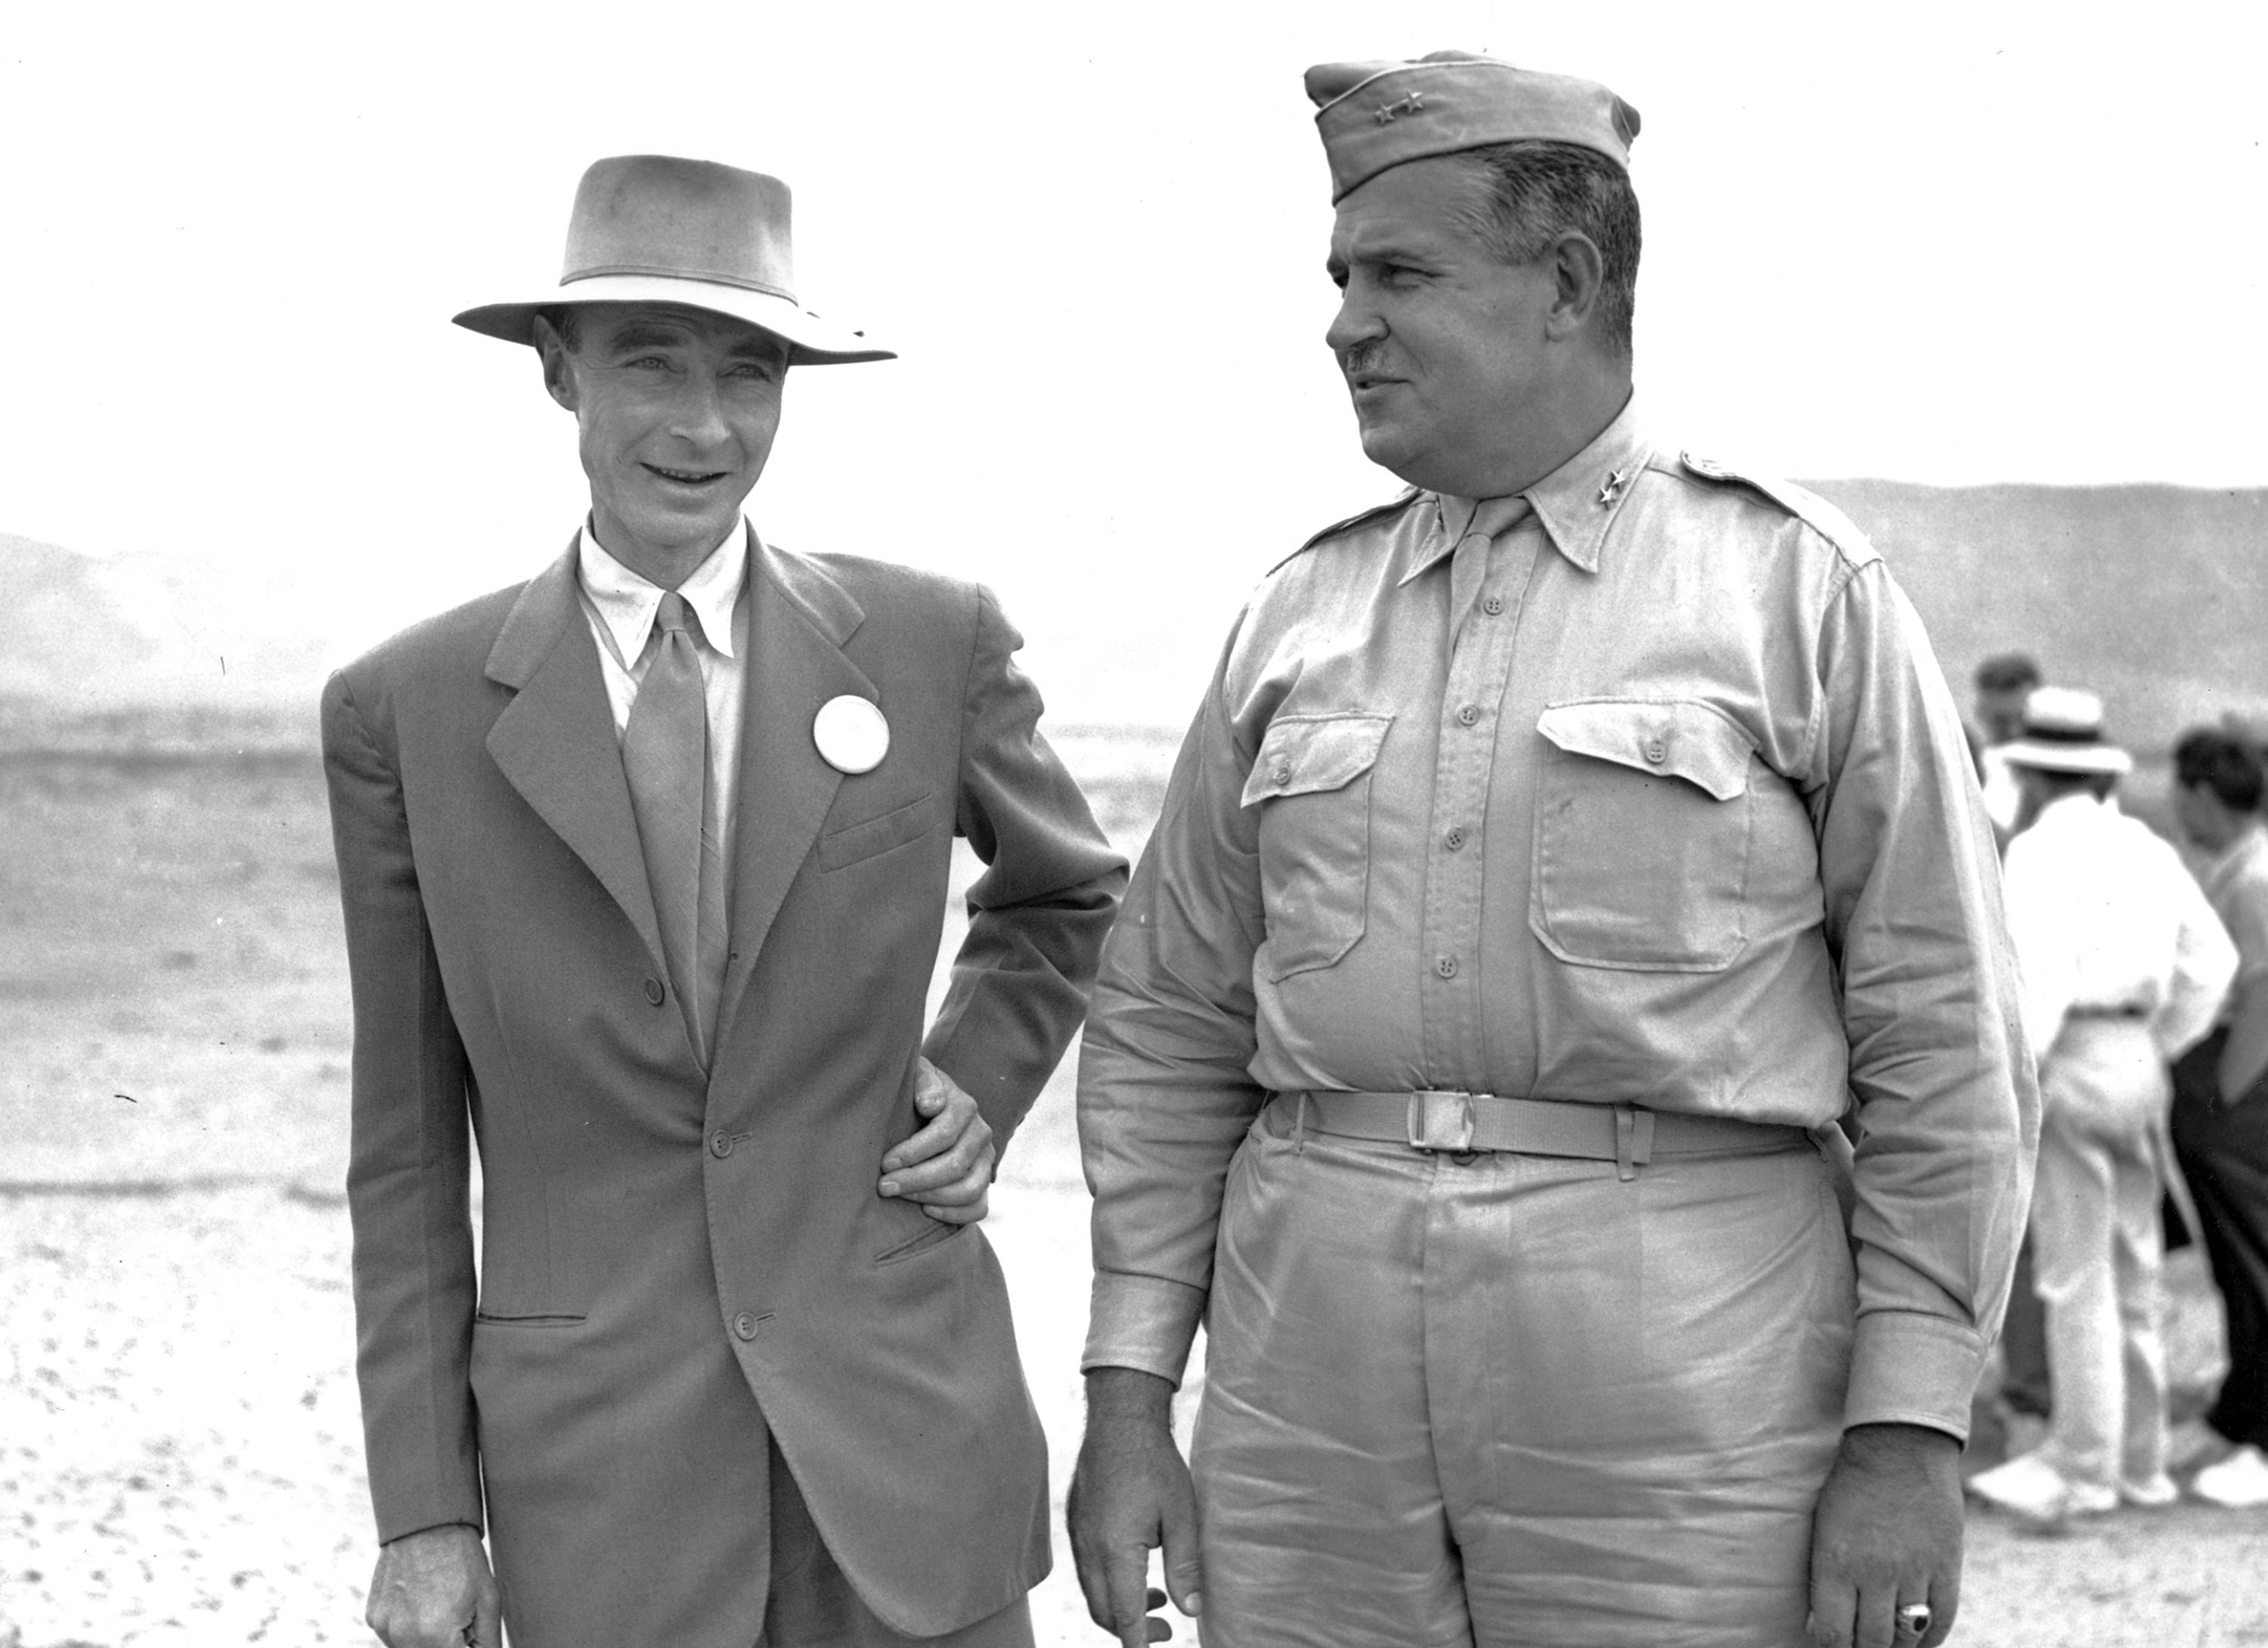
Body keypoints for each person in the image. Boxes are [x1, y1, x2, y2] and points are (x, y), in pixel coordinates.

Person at [1066, 51, 2034, 1648]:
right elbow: (1170, 1025)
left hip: (1691, 1415)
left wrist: (1908, 1429)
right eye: (1339, 277)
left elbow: (1946, 1036)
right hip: (1312, 1408)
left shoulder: (1796, 594)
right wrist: (1125, 1399)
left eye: (1399, 273)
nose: (1342, 322)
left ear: (1568, 282)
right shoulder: (1296, 617)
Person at [322, 155, 1126, 1648]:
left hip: (905, 1464)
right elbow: (408, 1156)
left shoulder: (926, 641)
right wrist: (425, 1512)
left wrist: (981, 1073)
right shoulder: (405, 710)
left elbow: (1066, 896)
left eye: (748, 375)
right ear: (558, 377)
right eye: (650, 365)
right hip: (607, 1498)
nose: (704, 427)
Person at [1966, 690, 2234, 1521]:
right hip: (2136, 1056)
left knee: (2074, 1273)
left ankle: (2085, 1465)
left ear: (2035, 777)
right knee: (2135, 1268)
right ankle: (2142, 1460)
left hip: (2073, 1054)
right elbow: (2211, 961)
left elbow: (2035, 980)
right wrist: (2160, 1042)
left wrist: (2019, 1084)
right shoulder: (2145, 845)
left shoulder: (2040, 852)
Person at [2167, 726, 2268, 1506]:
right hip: (2235, 1082)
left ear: (2204, 794)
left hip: (2243, 1086)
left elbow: (2265, 989)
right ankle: (2241, 1414)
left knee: (2254, 1259)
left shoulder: (2255, 874)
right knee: (2237, 1265)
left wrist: (2226, 1097)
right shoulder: (2240, 867)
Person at [1972, 652, 2046, 844]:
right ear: (1980, 711)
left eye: (2021, 718)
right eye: (2002, 720)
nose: (2015, 729)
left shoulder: (2056, 771)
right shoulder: (1972, 764)